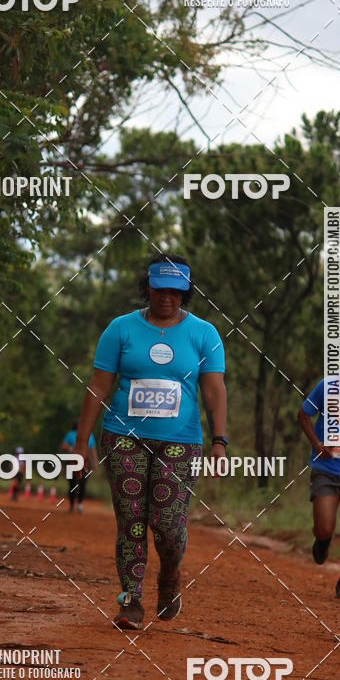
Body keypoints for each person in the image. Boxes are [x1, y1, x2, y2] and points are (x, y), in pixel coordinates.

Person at [72, 254, 227, 631]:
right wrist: (82, 441)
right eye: (160, 289)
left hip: (180, 443)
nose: (167, 298)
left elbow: (214, 390)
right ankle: (130, 600)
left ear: (186, 293)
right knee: (131, 521)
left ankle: (170, 575)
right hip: (123, 438)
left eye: (176, 292)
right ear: (148, 287)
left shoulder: (204, 334)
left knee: (168, 525)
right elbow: (98, 386)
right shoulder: (120, 329)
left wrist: (219, 441)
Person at [297, 378, 340, 600]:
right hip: (326, 468)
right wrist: (316, 444)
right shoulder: (327, 386)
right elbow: (303, 415)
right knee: (324, 528)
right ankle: (323, 540)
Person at [61, 421, 98, 513]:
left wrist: (95, 462)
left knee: (83, 484)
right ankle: (72, 505)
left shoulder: (90, 435)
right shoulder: (71, 434)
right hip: (72, 462)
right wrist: (71, 448)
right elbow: (63, 446)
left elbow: (93, 449)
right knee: (72, 484)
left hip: (85, 462)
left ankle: (80, 504)